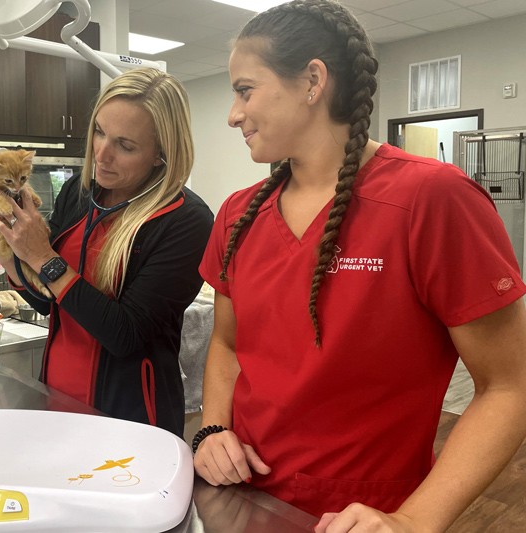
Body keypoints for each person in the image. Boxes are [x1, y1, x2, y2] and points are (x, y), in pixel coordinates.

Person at [193, 1, 526, 532]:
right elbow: (229, 345)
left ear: (312, 81)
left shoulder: (430, 200)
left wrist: (413, 521)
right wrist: (211, 431)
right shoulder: (239, 214)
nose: (233, 114)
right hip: (243, 501)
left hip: (364, 515)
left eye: (244, 90)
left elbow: (509, 386)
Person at [0, 67, 214, 438]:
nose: (101, 155)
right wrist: (6, 246)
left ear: (160, 154)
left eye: (125, 145)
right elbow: (47, 303)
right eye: (99, 132)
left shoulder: (186, 221)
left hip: (132, 419)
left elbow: (125, 335)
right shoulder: (80, 193)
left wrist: (43, 257)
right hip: (57, 402)